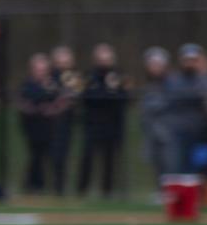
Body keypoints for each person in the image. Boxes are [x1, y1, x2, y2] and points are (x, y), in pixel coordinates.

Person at [76, 43, 129, 198]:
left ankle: (107, 191)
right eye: (101, 58)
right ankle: (82, 190)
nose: (104, 61)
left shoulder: (120, 76)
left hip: (113, 125)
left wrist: (112, 90)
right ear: (95, 59)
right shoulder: (88, 76)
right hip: (92, 124)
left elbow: (125, 99)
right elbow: (85, 98)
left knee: (110, 160)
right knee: (87, 158)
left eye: (107, 58)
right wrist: (104, 92)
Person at [164, 43, 207, 175]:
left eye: (193, 60)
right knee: (178, 166)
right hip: (179, 131)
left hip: (200, 131)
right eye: (187, 60)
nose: (190, 63)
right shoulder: (173, 80)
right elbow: (177, 97)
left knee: (199, 167)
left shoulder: (205, 79)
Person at [18, 53, 58, 195]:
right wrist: (32, 108)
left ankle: (49, 185)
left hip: (48, 126)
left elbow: (59, 101)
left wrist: (51, 108)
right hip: (32, 126)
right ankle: (32, 185)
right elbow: (22, 103)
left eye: (43, 69)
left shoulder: (52, 85)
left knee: (49, 155)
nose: (40, 72)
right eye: (38, 69)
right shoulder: (27, 85)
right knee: (35, 155)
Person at [47, 45, 82, 191]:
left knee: (64, 154)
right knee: (52, 154)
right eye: (60, 58)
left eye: (66, 58)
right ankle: (49, 185)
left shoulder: (75, 77)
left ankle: (61, 186)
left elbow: (77, 95)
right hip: (49, 122)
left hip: (67, 121)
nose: (64, 61)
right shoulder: (50, 77)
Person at [138, 47, 175, 183]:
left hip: (168, 132)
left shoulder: (172, 83)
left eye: (158, 64)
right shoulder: (148, 85)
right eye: (152, 64)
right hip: (151, 131)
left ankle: (170, 189)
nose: (155, 68)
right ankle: (160, 190)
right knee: (156, 163)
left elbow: (168, 104)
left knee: (169, 163)